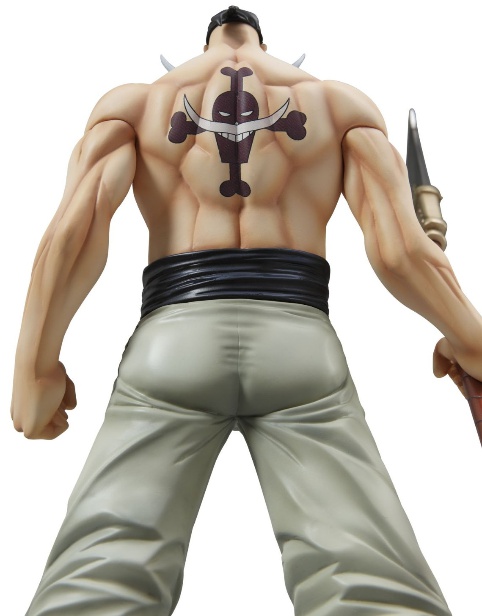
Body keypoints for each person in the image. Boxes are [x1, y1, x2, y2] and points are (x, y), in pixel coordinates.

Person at [11, 5, 481, 615]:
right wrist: (469, 339)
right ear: (264, 41)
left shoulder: (139, 103)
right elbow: (403, 251)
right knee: (371, 583)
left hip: (172, 346)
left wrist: (35, 368)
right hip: (299, 347)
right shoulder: (335, 103)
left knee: (100, 576)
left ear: (206, 41)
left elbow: (73, 232)